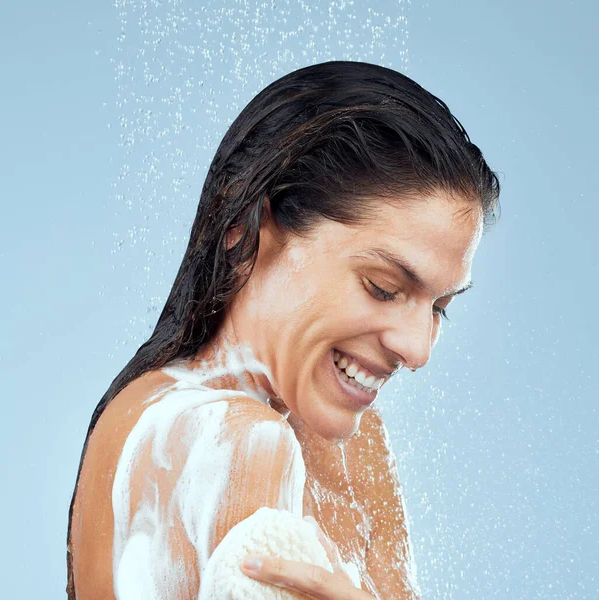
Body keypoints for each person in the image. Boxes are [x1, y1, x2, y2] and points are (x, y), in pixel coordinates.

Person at [66, 60, 501, 599]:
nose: (417, 350)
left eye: (438, 307)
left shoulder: (351, 444)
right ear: (244, 230)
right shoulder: (240, 441)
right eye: (383, 287)